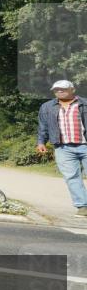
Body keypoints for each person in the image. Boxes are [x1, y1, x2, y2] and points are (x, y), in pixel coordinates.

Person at [36, 79, 87, 217]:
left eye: (63, 89)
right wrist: (41, 142)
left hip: (85, 145)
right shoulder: (47, 107)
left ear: (72, 90)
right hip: (63, 148)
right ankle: (82, 206)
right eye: (56, 89)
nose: (59, 91)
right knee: (71, 177)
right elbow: (43, 127)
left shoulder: (84, 103)